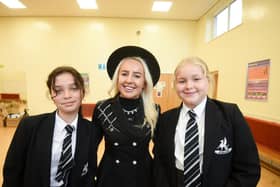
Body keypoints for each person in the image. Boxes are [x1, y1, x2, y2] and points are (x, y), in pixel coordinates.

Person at [153, 57, 260, 187]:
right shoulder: (165, 120)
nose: (189, 86)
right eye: (182, 81)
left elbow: (248, 169)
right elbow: (159, 164)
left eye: (196, 79)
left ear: (208, 81)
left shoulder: (230, 115)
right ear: (175, 85)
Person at [2, 66, 96, 187]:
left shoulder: (91, 130)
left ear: (82, 92)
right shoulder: (30, 126)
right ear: (51, 95)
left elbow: (89, 174)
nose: (67, 95)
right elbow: (12, 171)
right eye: (58, 90)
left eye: (73, 88)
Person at [91, 46, 161, 187]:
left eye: (136, 76)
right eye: (124, 74)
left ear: (144, 82)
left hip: (143, 177)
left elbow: (160, 151)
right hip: (110, 177)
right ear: (117, 78)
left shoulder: (154, 110)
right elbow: (90, 149)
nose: (129, 80)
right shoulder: (102, 108)